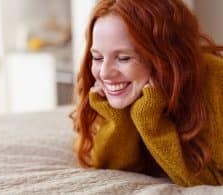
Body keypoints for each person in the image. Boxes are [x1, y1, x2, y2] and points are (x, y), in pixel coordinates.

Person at [72, 0, 223, 186]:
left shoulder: (215, 82)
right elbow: (110, 170)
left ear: (165, 57)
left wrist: (150, 121)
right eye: (97, 57)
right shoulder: (105, 90)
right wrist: (118, 119)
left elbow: (212, 183)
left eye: (124, 58)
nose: (104, 73)